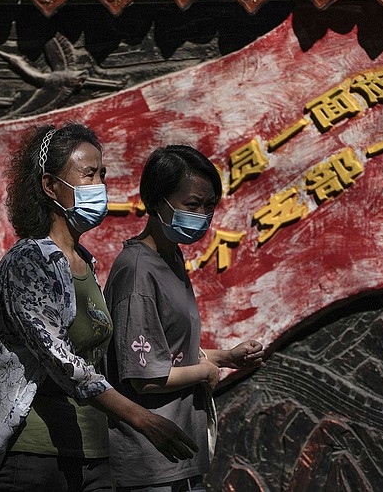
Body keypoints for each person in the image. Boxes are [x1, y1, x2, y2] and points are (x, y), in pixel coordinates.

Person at [0, 124, 198, 492]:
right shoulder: (27, 263)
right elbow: (63, 363)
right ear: (51, 186)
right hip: (35, 459)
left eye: (102, 174)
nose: (99, 184)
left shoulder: (85, 262)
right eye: (88, 174)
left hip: (93, 457)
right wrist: (143, 420)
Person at [104, 144, 266, 492]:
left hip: (177, 455)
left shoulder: (171, 257)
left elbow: (165, 349)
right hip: (148, 460)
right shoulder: (136, 271)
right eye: (192, 204)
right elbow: (143, 377)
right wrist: (206, 371)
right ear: (157, 200)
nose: (203, 215)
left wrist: (225, 357)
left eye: (209, 206)